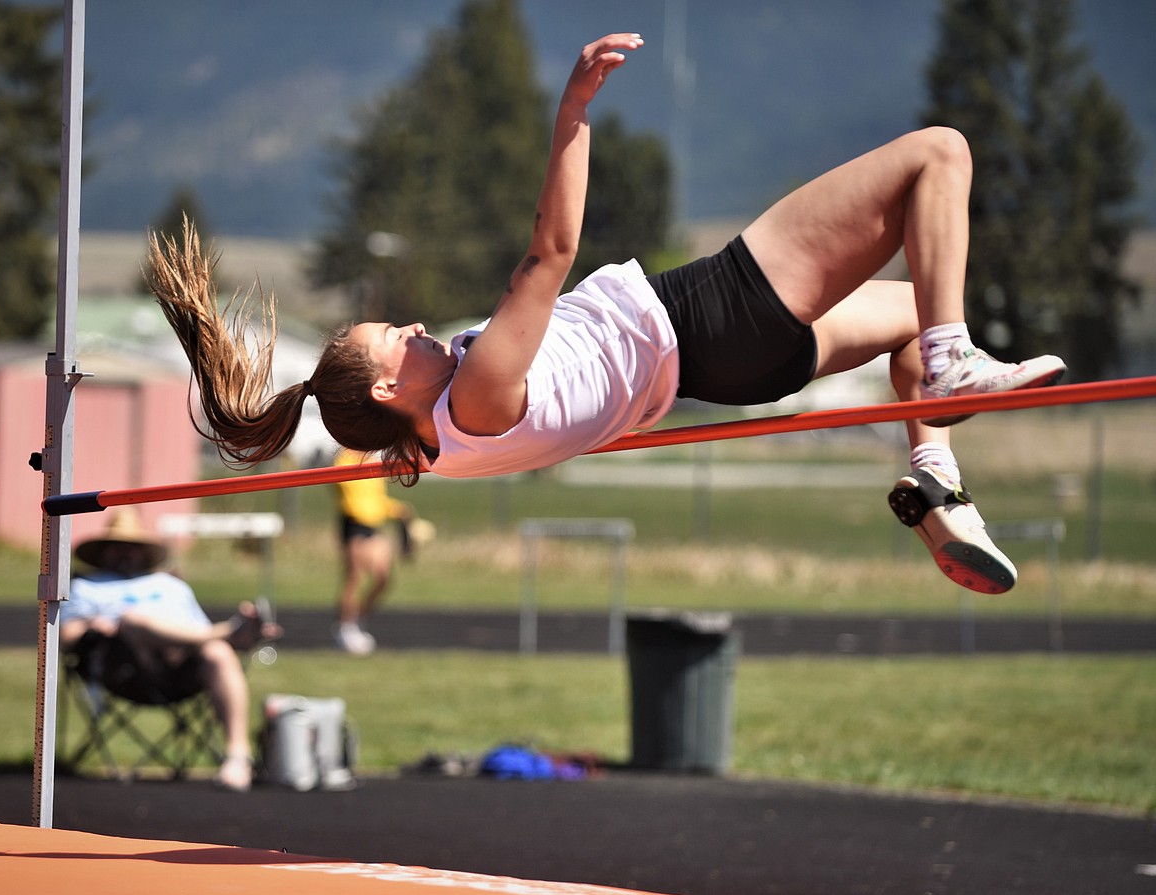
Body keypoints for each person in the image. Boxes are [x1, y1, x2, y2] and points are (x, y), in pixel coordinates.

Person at [146, 33, 1066, 595]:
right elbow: (550, 253)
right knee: (938, 155)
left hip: (722, 373)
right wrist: (574, 113)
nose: (416, 327)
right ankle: (953, 360)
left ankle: (938, 490)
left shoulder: (446, 448)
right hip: (708, 318)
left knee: (907, 311)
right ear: (391, 383)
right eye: (396, 338)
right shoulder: (478, 399)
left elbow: (407, 437)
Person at [60, 508, 278, 792]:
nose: (124, 553)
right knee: (133, 618)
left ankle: (238, 757)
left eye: (131, 547)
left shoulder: (170, 585)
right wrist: (91, 624)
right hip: (127, 667)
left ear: (143, 552)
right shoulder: (85, 586)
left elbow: (197, 632)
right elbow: (64, 637)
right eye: (116, 546)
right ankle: (231, 633)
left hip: (184, 669)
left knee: (218, 652)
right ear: (103, 551)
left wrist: (211, 639)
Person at [332, 447, 429, 655]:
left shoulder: (371, 461)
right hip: (355, 524)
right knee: (354, 578)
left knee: (383, 578)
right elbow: (343, 485)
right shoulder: (345, 458)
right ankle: (345, 626)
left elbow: (377, 499)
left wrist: (398, 510)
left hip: (373, 525)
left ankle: (358, 619)